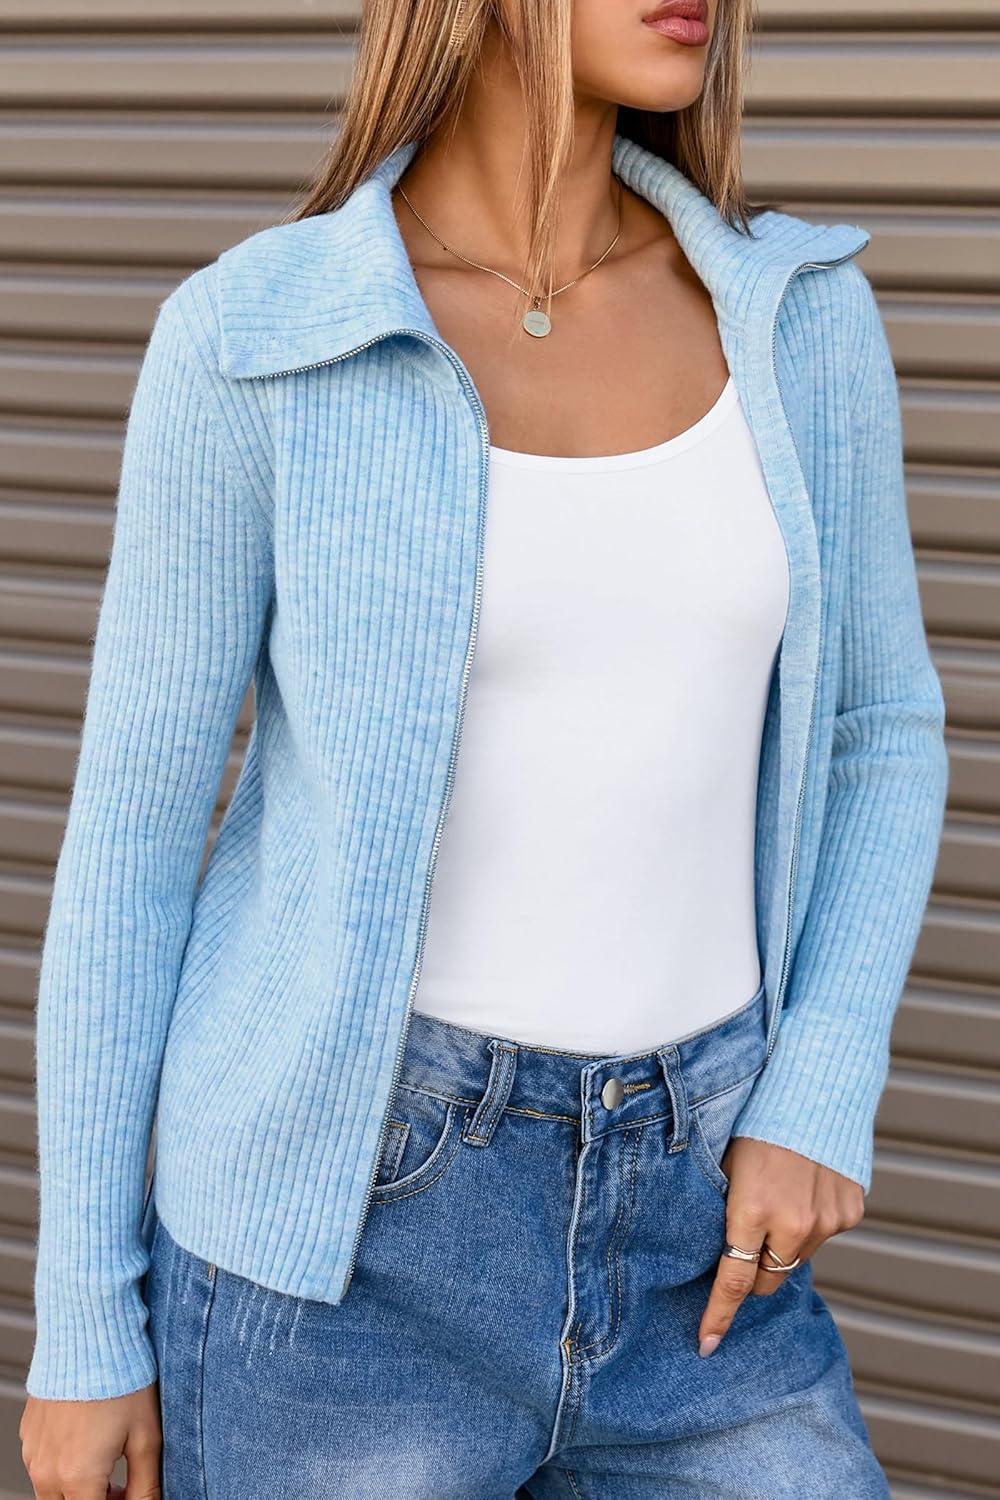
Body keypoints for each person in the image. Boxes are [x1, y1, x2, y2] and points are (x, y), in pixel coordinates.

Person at [20, 0, 949, 1495]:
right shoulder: (259, 335)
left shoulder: (798, 320)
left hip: (699, 1233)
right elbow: (133, 840)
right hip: (338, 1256)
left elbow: (878, 733)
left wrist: (822, 1083)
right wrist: (83, 1321)